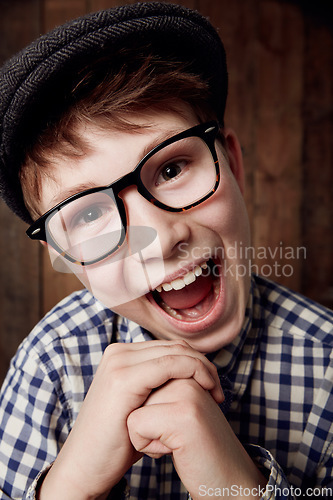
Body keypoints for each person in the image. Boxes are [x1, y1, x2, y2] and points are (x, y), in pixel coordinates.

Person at [0, 2, 332, 499]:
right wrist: (67, 487)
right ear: (67, 258)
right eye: (89, 216)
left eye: (173, 169)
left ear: (233, 165)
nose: (158, 237)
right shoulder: (51, 362)